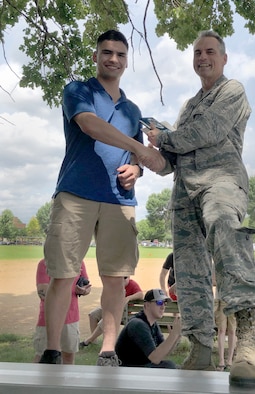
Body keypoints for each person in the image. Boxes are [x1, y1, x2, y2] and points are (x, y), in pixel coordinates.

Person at [146, 30, 255, 388]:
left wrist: (164, 138)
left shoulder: (233, 91)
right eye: (197, 52)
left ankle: (248, 337)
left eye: (210, 51)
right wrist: (148, 156)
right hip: (183, 191)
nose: (202, 58)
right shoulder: (187, 106)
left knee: (223, 221)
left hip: (221, 180)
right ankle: (200, 347)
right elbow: (172, 159)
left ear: (223, 58)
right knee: (189, 267)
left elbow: (207, 132)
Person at [39, 29, 165, 366]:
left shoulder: (133, 109)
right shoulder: (77, 90)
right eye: (106, 52)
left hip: (120, 201)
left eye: (121, 54)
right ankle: (52, 351)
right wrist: (139, 148)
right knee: (63, 275)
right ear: (95, 56)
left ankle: (108, 351)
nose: (113, 59)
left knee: (116, 279)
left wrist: (137, 169)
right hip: (75, 194)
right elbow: (90, 125)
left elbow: (138, 159)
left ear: (126, 61)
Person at [33, 259, 91, 364]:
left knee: (69, 356)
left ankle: (67, 380)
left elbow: (86, 285)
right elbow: (42, 292)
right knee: (43, 357)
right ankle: (38, 381)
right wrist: (69, 285)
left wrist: (83, 290)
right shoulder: (45, 263)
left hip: (71, 318)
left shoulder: (79, 262)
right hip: (48, 320)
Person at [115, 289, 181, 368]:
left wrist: (176, 337)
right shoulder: (138, 325)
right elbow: (155, 358)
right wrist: (173, 335)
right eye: (159, 302)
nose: (163, 307)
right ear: (147, 305)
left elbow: (162, 354)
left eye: (165, 303)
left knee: (173, 367)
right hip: (128, 370)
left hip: (139, 366)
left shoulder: (153, 324)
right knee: (170, 366)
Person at [80, 276, 143, 347]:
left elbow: (140, 294)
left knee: (105, 320)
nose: (123, 280)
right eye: (121, 277)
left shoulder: (132, 284)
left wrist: (128, 298)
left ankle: (89, 340)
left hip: (122, 313)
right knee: (93, 314)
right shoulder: (114, 284)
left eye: (125, 277)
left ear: (129, 277)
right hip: (110, 308)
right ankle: (94, 342)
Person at [212, 263, 236, 371]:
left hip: (233, 301)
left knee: (232, 331)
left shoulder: (234, 262)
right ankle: (221, 360)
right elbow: (213, 281)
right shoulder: (215, 265)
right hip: (220, 300)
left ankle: (230, 360)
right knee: (221, 330)